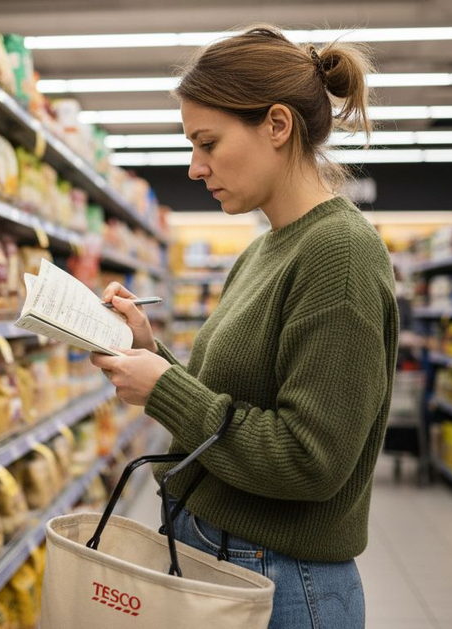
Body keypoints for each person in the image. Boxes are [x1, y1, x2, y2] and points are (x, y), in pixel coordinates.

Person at [91, 25, 397, 629]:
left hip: (279, 580)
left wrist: (164, 390)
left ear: (277, 126)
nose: (194, 166)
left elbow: (311, 459)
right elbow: (234, 406)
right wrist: (153, 355)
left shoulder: (341, 253)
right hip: (225, 559)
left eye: (208, 142)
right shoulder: (265, 251)